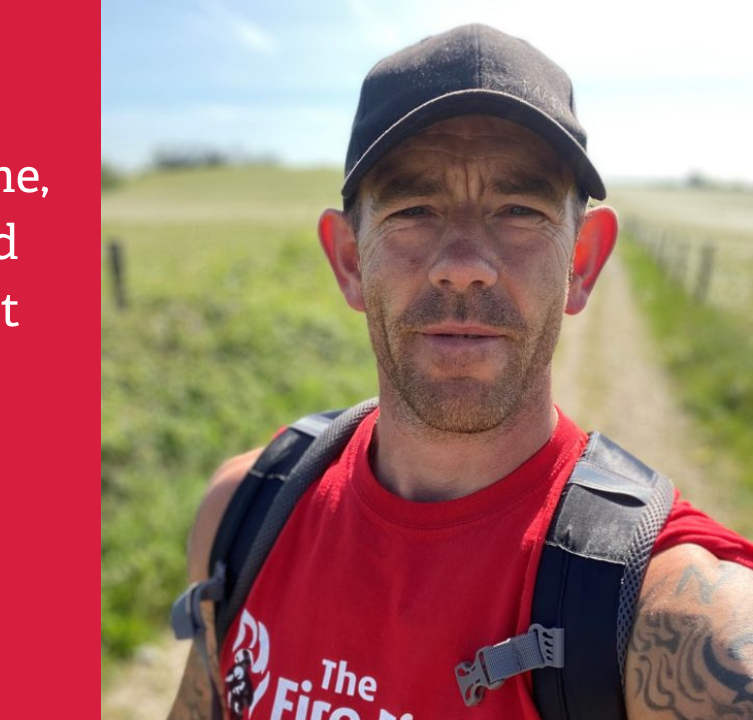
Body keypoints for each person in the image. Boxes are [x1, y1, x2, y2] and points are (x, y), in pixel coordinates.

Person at [167, 24, 753, 720]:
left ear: (582, 263)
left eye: (520, 210)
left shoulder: (683, 625)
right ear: (350, 261)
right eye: (415, 209)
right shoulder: (242, 515)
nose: (465, 261)